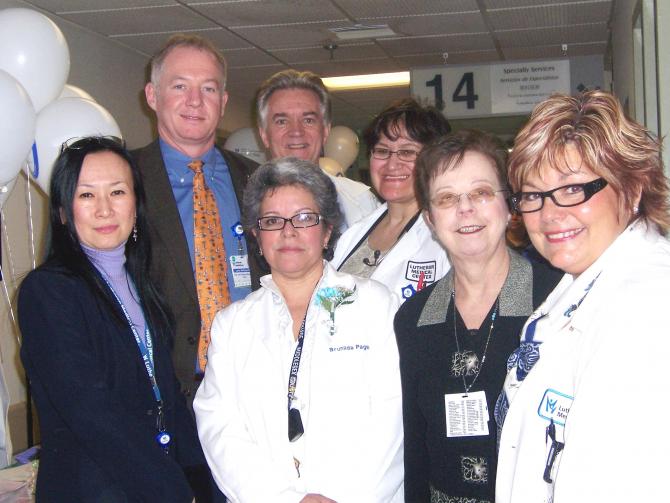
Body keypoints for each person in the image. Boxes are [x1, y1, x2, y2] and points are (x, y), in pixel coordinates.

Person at [17, 136, 217, 502]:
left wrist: (205, 485)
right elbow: (92, 413)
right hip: (95, 490)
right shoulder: (48, 292)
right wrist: (173, 491)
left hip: (156, 479)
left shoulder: (144, 285)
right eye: (86, 195)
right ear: (63, 211)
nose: (105, 209)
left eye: (118, 192)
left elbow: (167, 397)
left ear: (136, 205)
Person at [194, 158, 404, 502]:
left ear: (326, 231)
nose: (288, 231)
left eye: (305, 218)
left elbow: (393, 418)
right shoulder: (232, 325)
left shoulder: (376, 305)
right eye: (273, 221)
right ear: (256, 236)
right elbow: (220, 429)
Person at [496, 91, 670, 503]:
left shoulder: (644, 305)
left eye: (573, 189)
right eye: (533, 195)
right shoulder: (583, 280)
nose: (550, 215)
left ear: (632, 189)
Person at [394, 130, 562, 502]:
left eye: (481, 193)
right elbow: (415, 448)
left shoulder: (556, 300)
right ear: (429, 218)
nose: (465, 209)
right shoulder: (413, 318)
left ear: (509, 206)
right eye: (447, 198)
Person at [132, 34, 263, 401]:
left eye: (207, 88)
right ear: (152, 96)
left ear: (222, 103)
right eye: (179, 86)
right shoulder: (122, 181)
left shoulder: (259, 181)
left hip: (254, 385)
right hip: (160, 392)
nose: (194, 101)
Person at [332, 98, 452, 303]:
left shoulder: (447, 236)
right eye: (382, 151)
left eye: (407, 152)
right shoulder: (352, 235)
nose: (392, 163)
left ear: (435, 160)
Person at [256, 69, 380, 228]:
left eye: (308, 120)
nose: (296, 131)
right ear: (264, 134)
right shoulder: (242, 203)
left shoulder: (363, 202)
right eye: (282, 121)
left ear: (326, 131)